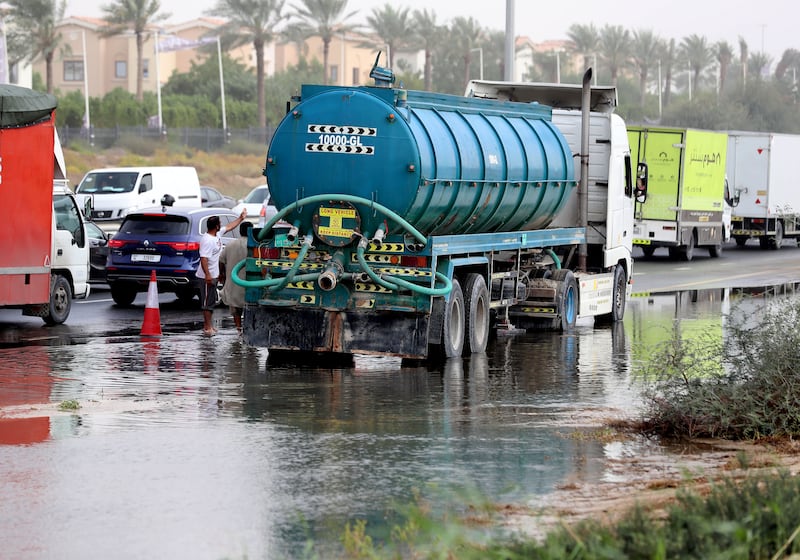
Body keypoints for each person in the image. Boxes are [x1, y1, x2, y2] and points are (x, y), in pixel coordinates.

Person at [197, 210, 247, 335]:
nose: (222, 225)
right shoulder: (207, 240)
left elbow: (230, 226)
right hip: (206, 276)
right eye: (220, 223)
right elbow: (203, 259)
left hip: (213, 274)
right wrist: (207, 275)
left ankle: (209, 326)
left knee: (212, 301)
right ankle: (207, 327)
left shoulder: (217, 234)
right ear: (217, 226)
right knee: (207, 302)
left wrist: (241, 218)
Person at [219, 221, 253, 334]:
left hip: (233, 282)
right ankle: (248, 331)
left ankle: (239, 330)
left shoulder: (230, 245)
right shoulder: (254, 245)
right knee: (250, 307)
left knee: (235, 309)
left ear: (240, 231)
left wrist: (222, 274)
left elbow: (221, 260)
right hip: (250, 282)